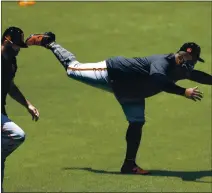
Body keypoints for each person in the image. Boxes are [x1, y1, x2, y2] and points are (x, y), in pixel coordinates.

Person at [25, 32, 211, 175]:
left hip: (131, 92)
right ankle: (49, 42)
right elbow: (158, 81)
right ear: (186, 55)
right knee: (72, 69)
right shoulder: (163, 61)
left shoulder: (182, 69)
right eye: (194, 60)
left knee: (136, 122)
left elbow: (199, 76)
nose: (194, 65)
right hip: (110, 73)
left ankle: (129, 165)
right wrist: (183, 92)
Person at [1, 27, 40, 191]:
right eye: (16, 45)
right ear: (7, 41)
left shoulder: (11, 62)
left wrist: (27, 104)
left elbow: (9, 86)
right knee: (17, 135)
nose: (18, 49)